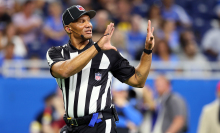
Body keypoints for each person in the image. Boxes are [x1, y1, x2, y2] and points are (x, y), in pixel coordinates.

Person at [46, 5, 155, 133]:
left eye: (88, 20)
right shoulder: (57, 53)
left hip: (101, 125)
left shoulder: (107, 53)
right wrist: (98, 46)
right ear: (68, 28)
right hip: (72, 125)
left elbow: (138, 80)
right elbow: (64, 71)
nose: (89, 25)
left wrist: (147, 51)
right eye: (82, 21)